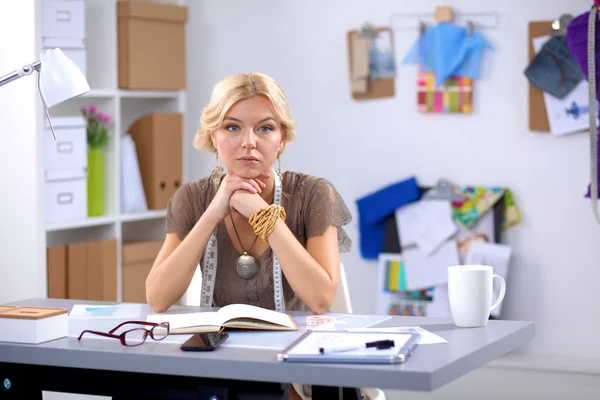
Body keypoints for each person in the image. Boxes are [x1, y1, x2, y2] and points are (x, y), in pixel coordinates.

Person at [144, 72, 359, 400]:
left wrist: (262, 215)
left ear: (282, 139)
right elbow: (157, 298)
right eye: (232, 127)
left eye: (265, 128)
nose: (249, 142)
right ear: (213, 136)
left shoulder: (314, 194)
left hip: (297, 374)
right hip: (222, 370)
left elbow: (319, 298)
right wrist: (214, 212)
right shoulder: (193, 198)